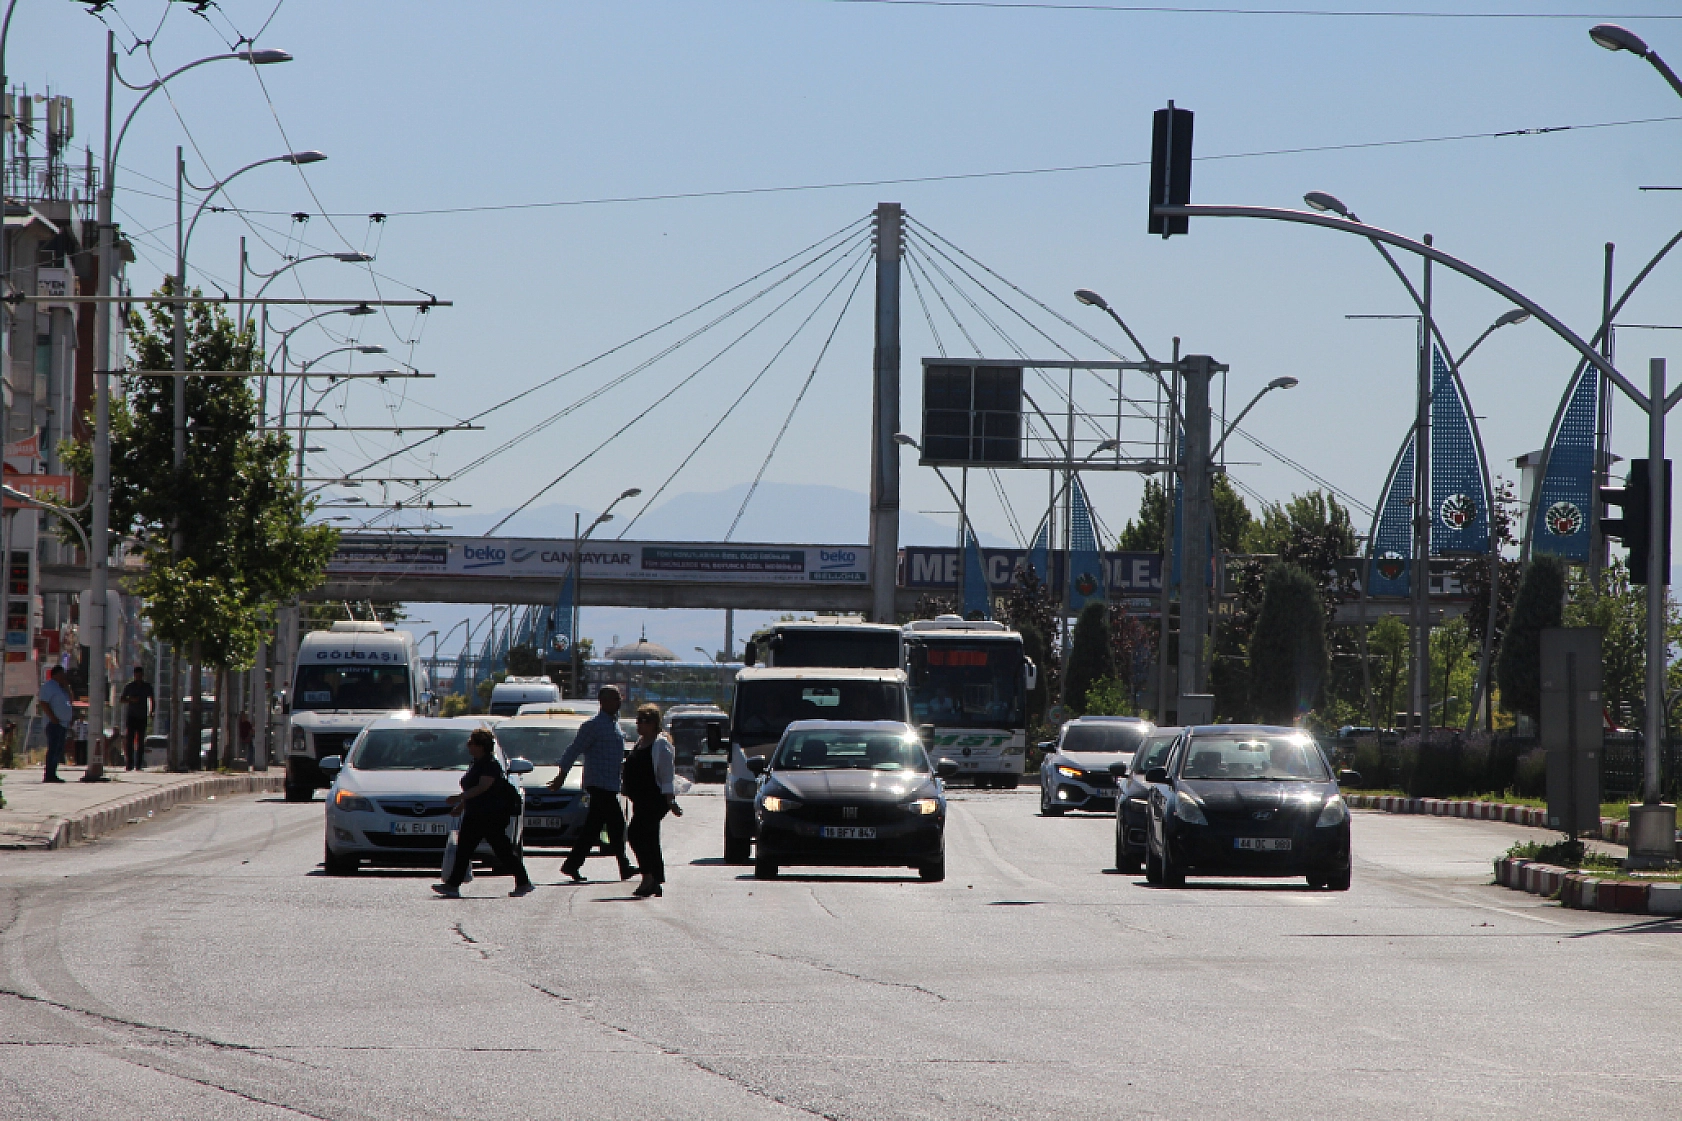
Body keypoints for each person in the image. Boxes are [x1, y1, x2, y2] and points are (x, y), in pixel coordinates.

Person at [433, 727, 533, 898]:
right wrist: (462, 806)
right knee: (465, 849)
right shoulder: (477, 763)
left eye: (471, 743)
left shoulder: (490, 765)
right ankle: (452, 885)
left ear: (481, 746)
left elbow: (482, 788)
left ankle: (523, 882)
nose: (468, 746)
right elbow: (474, 789)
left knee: (501, 850)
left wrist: (459, 797)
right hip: (476, 813)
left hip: (489, 815)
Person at [550, 685, 634, 883]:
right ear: (603, 701)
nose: (619, 701)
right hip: (599, 784)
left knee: (592, 828)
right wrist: (562, 775)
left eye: (619, 698)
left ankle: (572, 865)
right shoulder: (593, 725)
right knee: (617, 824)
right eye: (615, 698)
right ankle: (624, 865)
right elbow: (574, 749)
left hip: (611, 783)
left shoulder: (615, 725)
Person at [623, 703, 683, 898]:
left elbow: (667, 774)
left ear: (654, 723)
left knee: (635, 834)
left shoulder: (660, 744)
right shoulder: (640, 742)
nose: (640, 724)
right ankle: (654, 880)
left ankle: (648, 877)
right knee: (649, 839)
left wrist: (670, 800)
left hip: (654, 799)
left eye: (644, 720)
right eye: (638, 720)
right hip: (640, 799)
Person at [38, 666, 72, 783]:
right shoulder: (49, 686)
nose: (64, 677)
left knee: (58, 749)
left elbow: (69, 702)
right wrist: (52, 717)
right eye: (61, 674)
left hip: (63, 723)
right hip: (53, 723)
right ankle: (49, 774)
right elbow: (43, 702)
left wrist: (67, 687)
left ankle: (54, 772)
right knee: (53, 748)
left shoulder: (61, 688)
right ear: (55, 675)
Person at [120, 667, 155, 771]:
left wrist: (152, 711)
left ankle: (138, 765)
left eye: (140, 675)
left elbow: (152, 699)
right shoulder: (129, 686)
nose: (138, 677)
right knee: (129, 740)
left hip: (142, 716)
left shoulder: (147, 687)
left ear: (142, 675)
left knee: (140, 741)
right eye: (136, 675)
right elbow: (122, 699)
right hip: (131, 716)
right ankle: (129, 763)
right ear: (134, 675)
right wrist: (131, 699)